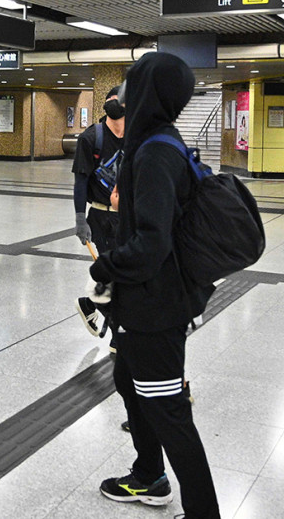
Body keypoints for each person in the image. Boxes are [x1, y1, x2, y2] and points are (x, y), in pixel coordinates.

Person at [89, 52, 219, 518]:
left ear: (149, 91)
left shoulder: (158, 151)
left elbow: (151, 244)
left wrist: (106, 266)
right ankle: (149, 476)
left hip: (157, 307)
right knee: (128, 380)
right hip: (142, 303)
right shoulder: (153, 143)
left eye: (131, 81)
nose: (123, 91)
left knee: (169, 413)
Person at [72, 87, 125, 351]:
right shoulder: (91, 138)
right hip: (101, 218)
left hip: (129, 218)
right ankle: (118, 336)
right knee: (116, 277)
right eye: (110, 102)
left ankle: (90, 303)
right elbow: (81, 181)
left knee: (127, 275)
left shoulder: (137, 137)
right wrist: (81, 219)